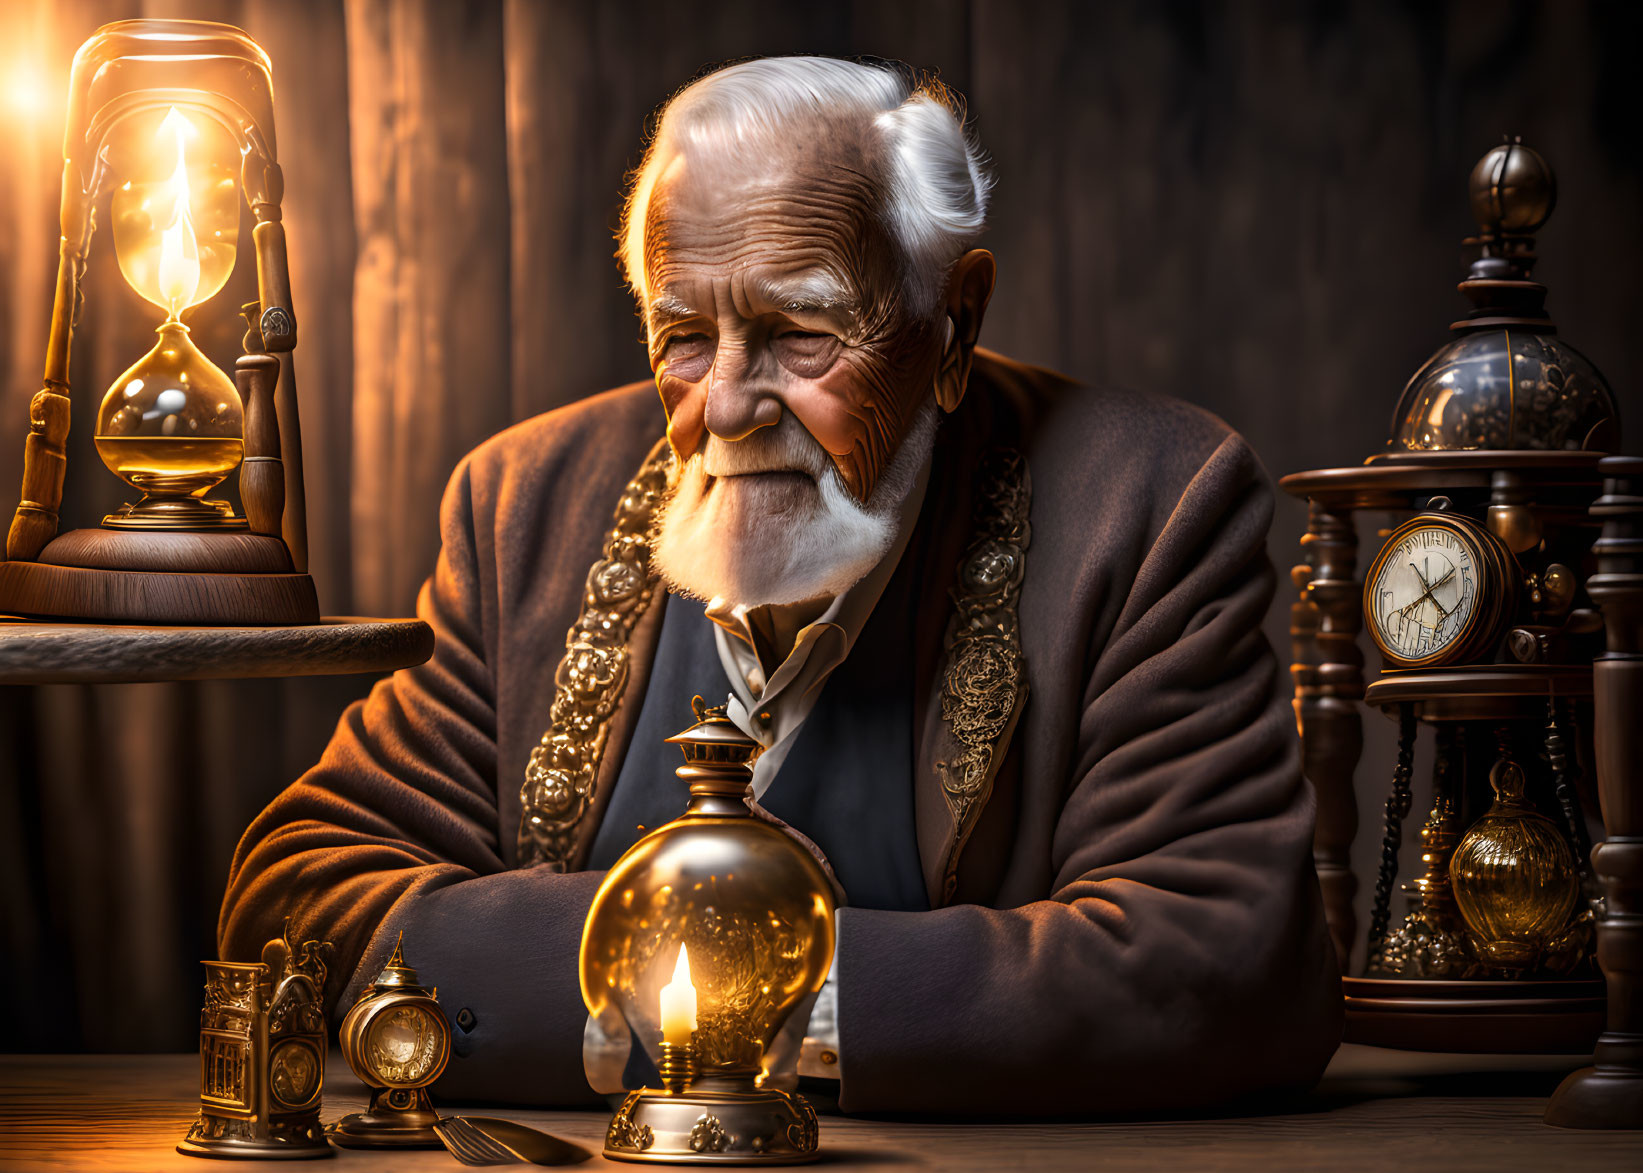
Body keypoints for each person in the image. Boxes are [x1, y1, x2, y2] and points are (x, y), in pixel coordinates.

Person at [221, 56, 1342, 1115]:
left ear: (952, 324)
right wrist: (823, 993)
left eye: (795, 332)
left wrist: (694, 989)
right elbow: (297, 905)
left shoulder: (1147, 501)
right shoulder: (524, 505)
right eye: (681, 336)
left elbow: (1217, 959)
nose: (722, 409)